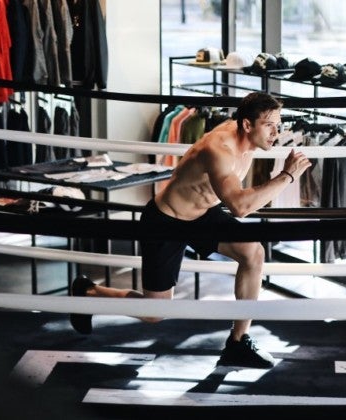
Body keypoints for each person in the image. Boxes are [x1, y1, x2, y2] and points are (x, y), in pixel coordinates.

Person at [69, 92, 312, 369]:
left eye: (278, 125)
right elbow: (239, 207)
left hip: (203, 215)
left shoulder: (250, 142)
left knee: (253, 253)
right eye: (269, 126)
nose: (276, 134)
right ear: (247, 125)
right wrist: (287, 176)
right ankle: (88, 291)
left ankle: (238, 341)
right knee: (154, 313)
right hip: (166, 221)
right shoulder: (219, 149)